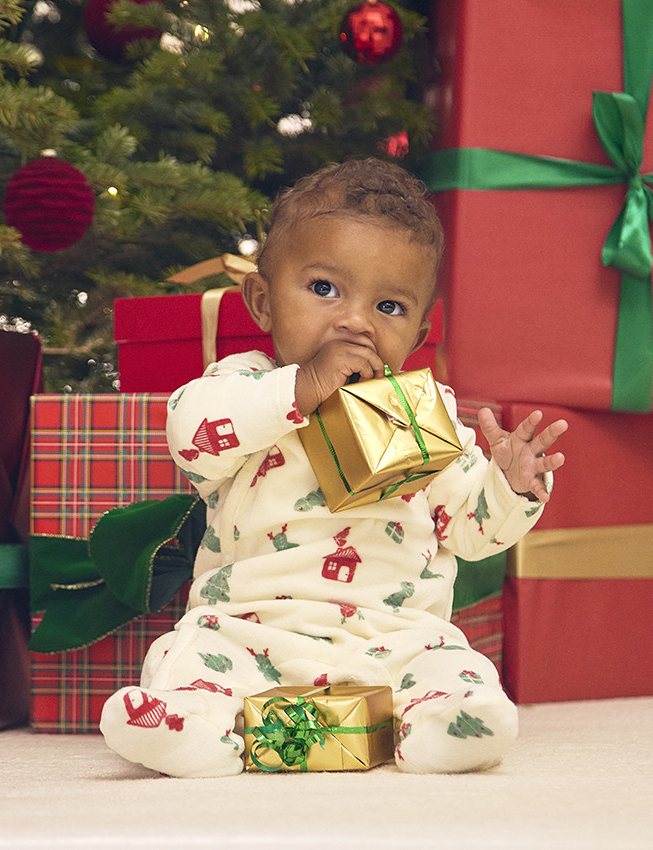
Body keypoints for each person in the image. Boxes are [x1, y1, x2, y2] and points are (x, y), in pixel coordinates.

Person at [100, 157, 567, 777]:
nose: (355, 321)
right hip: (250, 627)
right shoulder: (247, 387)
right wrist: (301, 390)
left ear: (420, 332)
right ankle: (189, 732)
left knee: (450, 662)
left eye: (390, 306)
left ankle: (446, 725)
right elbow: (192, 438)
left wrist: (509, 484)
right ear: (263, 302)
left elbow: (471, 531)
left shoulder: (425, 414)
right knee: (194, 653)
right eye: (324, 289)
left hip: (393, 633)